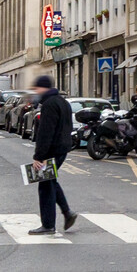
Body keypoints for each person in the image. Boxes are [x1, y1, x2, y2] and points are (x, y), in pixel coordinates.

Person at [25, 76, 78, 235]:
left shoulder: (49, 105)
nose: (35, 92)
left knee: (46, 186)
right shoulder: (63, 102)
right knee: (50, 180)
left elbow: (46, 133)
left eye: (36, 88)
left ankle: (48, 224)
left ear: (44, 88)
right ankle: (67, 213)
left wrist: (38, 156)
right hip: (62, 148)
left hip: (52, 150)